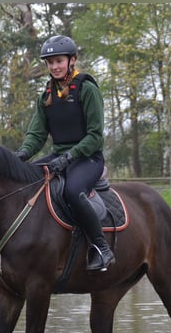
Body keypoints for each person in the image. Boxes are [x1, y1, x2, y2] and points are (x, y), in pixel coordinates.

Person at [15, 34, 115, 272]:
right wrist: (21, 155)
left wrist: (70, 156)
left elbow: (95, 136)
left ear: (72, 60)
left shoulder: (87, 89)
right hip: (59, 156)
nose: (54, 66)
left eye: (59, 61)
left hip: (87, 158)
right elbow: (36, 135)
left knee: (72, 190)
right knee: (25, 180)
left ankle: (101, 248)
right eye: (50, 62)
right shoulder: (46, 95)